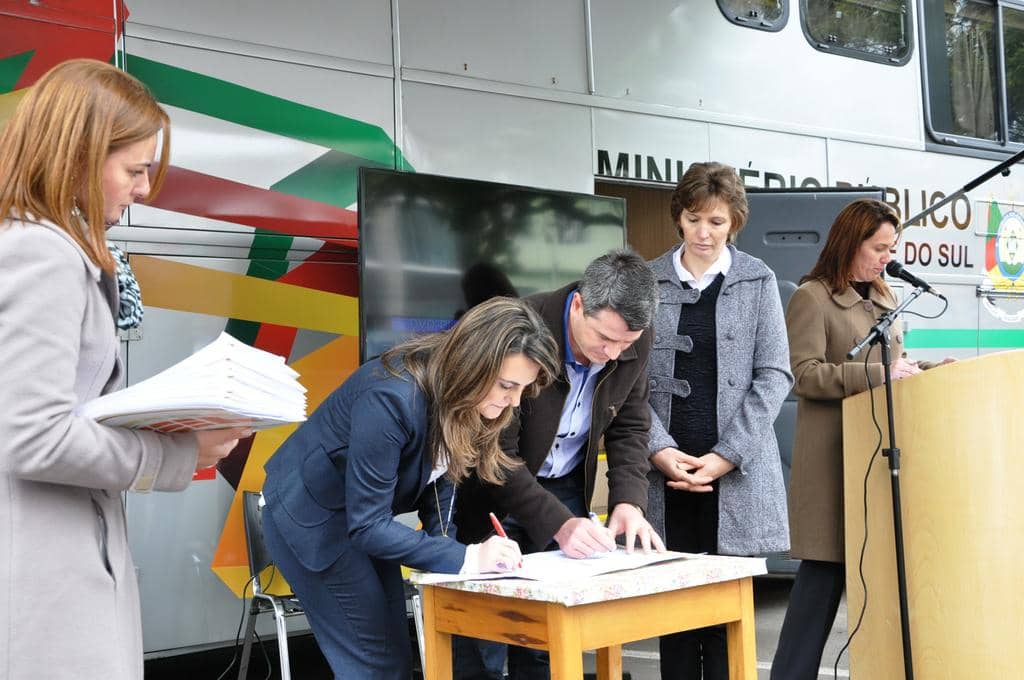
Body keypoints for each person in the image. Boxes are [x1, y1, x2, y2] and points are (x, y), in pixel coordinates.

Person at [0, 59, 246, 680]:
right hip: (42, 569)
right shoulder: (42, 252)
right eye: (135, 170)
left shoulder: (34, 243)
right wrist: (177, 451)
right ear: (77, 157)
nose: (143, 190)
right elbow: (31, 433)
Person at [260, 296, 561, 679]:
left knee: (395, 655)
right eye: (506, 385)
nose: (512, 402)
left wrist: (450, 551)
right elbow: (368, 525)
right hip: (310, 515)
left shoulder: (463, 391)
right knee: (373, 662)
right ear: (475, 362)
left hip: (362, 519)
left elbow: (443, 476)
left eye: (522, 389)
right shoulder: (392, 396)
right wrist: (467, 558)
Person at [454, 248, 666, 679]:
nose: (612, 353)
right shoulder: (521, 329)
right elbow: (497, 453)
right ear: (579, 304)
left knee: (547, 634)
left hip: (565, 484)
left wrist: (629, 501)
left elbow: (630, 425)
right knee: (486, 633)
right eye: (604, 339)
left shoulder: (633, 339)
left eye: (625, 343)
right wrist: (561, 524)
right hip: (495, 490)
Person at [770, 199, 929, 679]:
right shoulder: (812, 297)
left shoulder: (884, 296)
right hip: (833, 467)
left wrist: (928, 372)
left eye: (891, 249)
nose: (886, 257)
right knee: (818, 590)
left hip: (880, 462)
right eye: (878, 248)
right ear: (850, 242)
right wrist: (877, 374)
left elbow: (895, 367)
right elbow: (804, 376)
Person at [645, 162, 792, 679]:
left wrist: (725, 457)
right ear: (678, 219)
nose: (703, 233)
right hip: (665, 472)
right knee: (675, 614)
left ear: (734, 223)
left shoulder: (757, 278)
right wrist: (659, 449)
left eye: (716, 222)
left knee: (727, 618)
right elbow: (625, 378)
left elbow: (775, 374)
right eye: (693, 220)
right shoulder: (649, 279)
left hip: (736, 474)